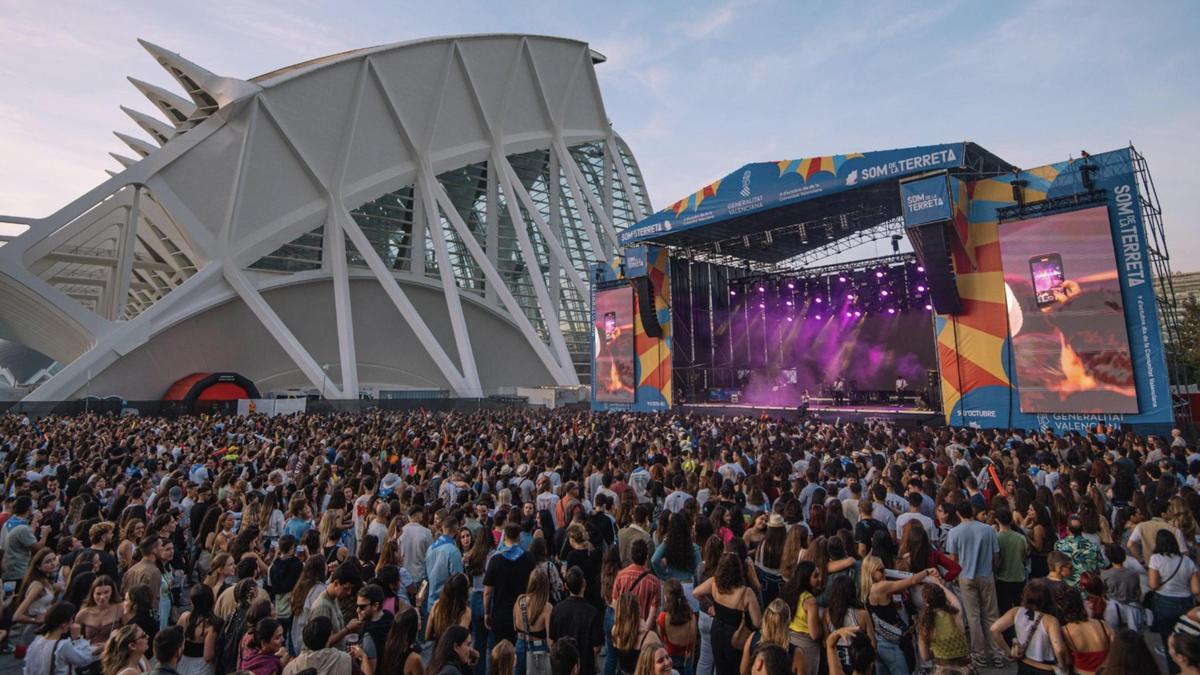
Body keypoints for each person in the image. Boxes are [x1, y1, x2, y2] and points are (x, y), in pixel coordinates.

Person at [944, 501, 1003, 670]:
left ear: (958, 514)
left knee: (973, 617)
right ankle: (996, 653)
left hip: (965, 576)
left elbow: (953, 559)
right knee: (991, 614)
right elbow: (996, 555)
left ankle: (979, 655)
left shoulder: (954, 532)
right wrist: (992, 570)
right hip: (986, 575)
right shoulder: (987, 529)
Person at [693, 552, 761, 675]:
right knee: (736, 669)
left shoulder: (714, 583)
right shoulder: (746, 592)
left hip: (717, 630)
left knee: (720, 668)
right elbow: (757, 622)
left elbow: (696, 593)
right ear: (738, 569)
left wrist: (711, 605)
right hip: (736, 635)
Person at [989, 581, 1070, 675]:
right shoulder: (1050, 620)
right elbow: (1059, 648)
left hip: (1024, 663)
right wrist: (1062, 666)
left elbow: (994, 629)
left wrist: (1008, 652)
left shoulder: (1015, 612)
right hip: (1046, 667)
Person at [1149, 529, 1200, 673]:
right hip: (1185, 604)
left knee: (1169, 641)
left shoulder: (1156, 559)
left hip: (1164, 602)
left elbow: (1153, 585)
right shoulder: (1187, 561)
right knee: (1187, 641)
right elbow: (1196, 590)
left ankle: (1175, 670)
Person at [483, 523, 536, 651]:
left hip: (501, 613)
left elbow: (487, 592)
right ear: (519, 537)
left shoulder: (496, 560)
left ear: (504, 536)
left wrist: (486, 613)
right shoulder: (529, 558)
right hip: (523, 611)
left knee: (500, 651)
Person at [550, 566, 603, 675]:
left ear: (566, 586)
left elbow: (552, 641)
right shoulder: (592, 613)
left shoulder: (556, 610)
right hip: (586, 667)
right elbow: (596, 647)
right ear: (584, 584)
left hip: (563, 668)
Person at [22, 601, 96, 675]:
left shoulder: (37, 640)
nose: (72, 622)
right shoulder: (62, 646)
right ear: (64, 624)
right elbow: (84, 660)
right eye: (71, 619)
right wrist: (77, 638)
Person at [916, 582, 969, 675]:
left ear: (926, 602)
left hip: (943, 670)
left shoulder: (926, 624)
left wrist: (939, 652)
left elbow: (925, 656)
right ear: (944, 598)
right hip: (964, 669)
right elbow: (953, 599)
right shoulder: (956, 614)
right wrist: (939, 584)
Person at [780, 560, 821, 675]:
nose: (820, 579)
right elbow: (815, 634)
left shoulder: (788, 591)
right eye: (815, 576)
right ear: (806, 578)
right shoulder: (810, 601)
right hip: (806, 647)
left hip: (788, 641)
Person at [738, 599, 798, 675]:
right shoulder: (796, 653)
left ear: (765, 618)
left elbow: (743, 671)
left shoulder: (753, 638)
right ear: (788, 623)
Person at [1060, 588, 1112, 675]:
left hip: (1081, 672)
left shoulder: (1065, 631)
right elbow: (1115, 648)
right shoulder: (1102, 624)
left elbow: (1068, 660)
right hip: (1105, 671)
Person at [612, 539, 661, 624]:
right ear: (647, 557)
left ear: (632, 556)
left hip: (625, 625)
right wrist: (646, 629)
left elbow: (615, 602)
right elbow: (654, 611)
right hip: (644, 626)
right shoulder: (654, 581)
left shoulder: (621, 576)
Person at [514, 568, 552, 675]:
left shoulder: (520, 600)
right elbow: (550, 639)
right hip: (539, 648)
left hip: (520, 644)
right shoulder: (547, 607)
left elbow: (515, 625)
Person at [654, 579, 696, 675]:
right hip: (687, 659)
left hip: (670, 661)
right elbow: (693, 643)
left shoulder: (663, 618)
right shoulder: (691, 615)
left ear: (665, 597)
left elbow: (660, 641)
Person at [176, 583, 219, 675]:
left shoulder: (184, 617)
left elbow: (176, 640)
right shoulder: (210, 626)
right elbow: (208, 656)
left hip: (183, 664)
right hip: (202, 667)